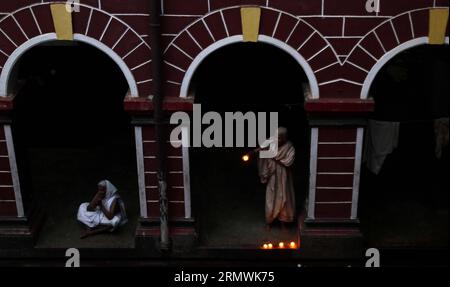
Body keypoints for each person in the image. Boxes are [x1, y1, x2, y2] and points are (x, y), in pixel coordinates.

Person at [257, 127, 296, 230]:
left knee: (284, 198)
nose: (277, 140)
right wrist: (263, 150)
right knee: (271, 199)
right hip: (273, 176)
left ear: (284, 138)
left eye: (279, 138)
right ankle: (269, 222)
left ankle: (283, 222)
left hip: (284, 177)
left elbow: (288, 162)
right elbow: (263, 154)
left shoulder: (289, 147)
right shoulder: (271, 143)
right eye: (276, 138)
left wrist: (272, 155)